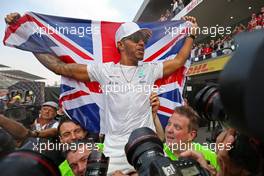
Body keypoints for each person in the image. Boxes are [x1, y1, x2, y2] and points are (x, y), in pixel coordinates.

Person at [5, 13, 197, 174]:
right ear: (120, 45)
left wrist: (191, 35)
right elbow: (60, 67)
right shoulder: (104, 70)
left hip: (147, 150)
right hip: (113, 154)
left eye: (144, 40)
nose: (141, 44)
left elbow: (179, 60)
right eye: (135, 39)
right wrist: (26, 35)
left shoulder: (150, 69)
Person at [164, 106, 219, 170]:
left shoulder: (210, 156)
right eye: (169, 124)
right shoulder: (158, 153)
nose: (169, 130)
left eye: (177, 127)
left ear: (191, 135)